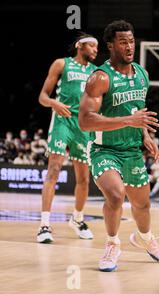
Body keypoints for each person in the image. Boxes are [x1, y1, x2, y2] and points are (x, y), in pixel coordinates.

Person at [79, 20, 159, 272]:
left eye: (131, 41)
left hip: (131, 150)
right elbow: (85, 121)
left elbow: (136, 110)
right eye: (123, 42)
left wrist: (145, 135)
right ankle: (112, 243)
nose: (129, 46)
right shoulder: (100, 78)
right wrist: (129, 120)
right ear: (110, 45)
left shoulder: (142, 74)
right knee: (116, 195)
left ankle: (147, 239)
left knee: (142, 204)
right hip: (104, 149)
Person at [37, 32, 98, 243]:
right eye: (92, 46)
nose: (96, 51)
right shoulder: (61, 64)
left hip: (83, 125)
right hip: (62, 121)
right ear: (80, 46)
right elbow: (42, 97)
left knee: (83, 178)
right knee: (53, 170)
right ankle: (44, 225)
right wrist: (55, 103)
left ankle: (77, 219)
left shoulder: (95, 73)